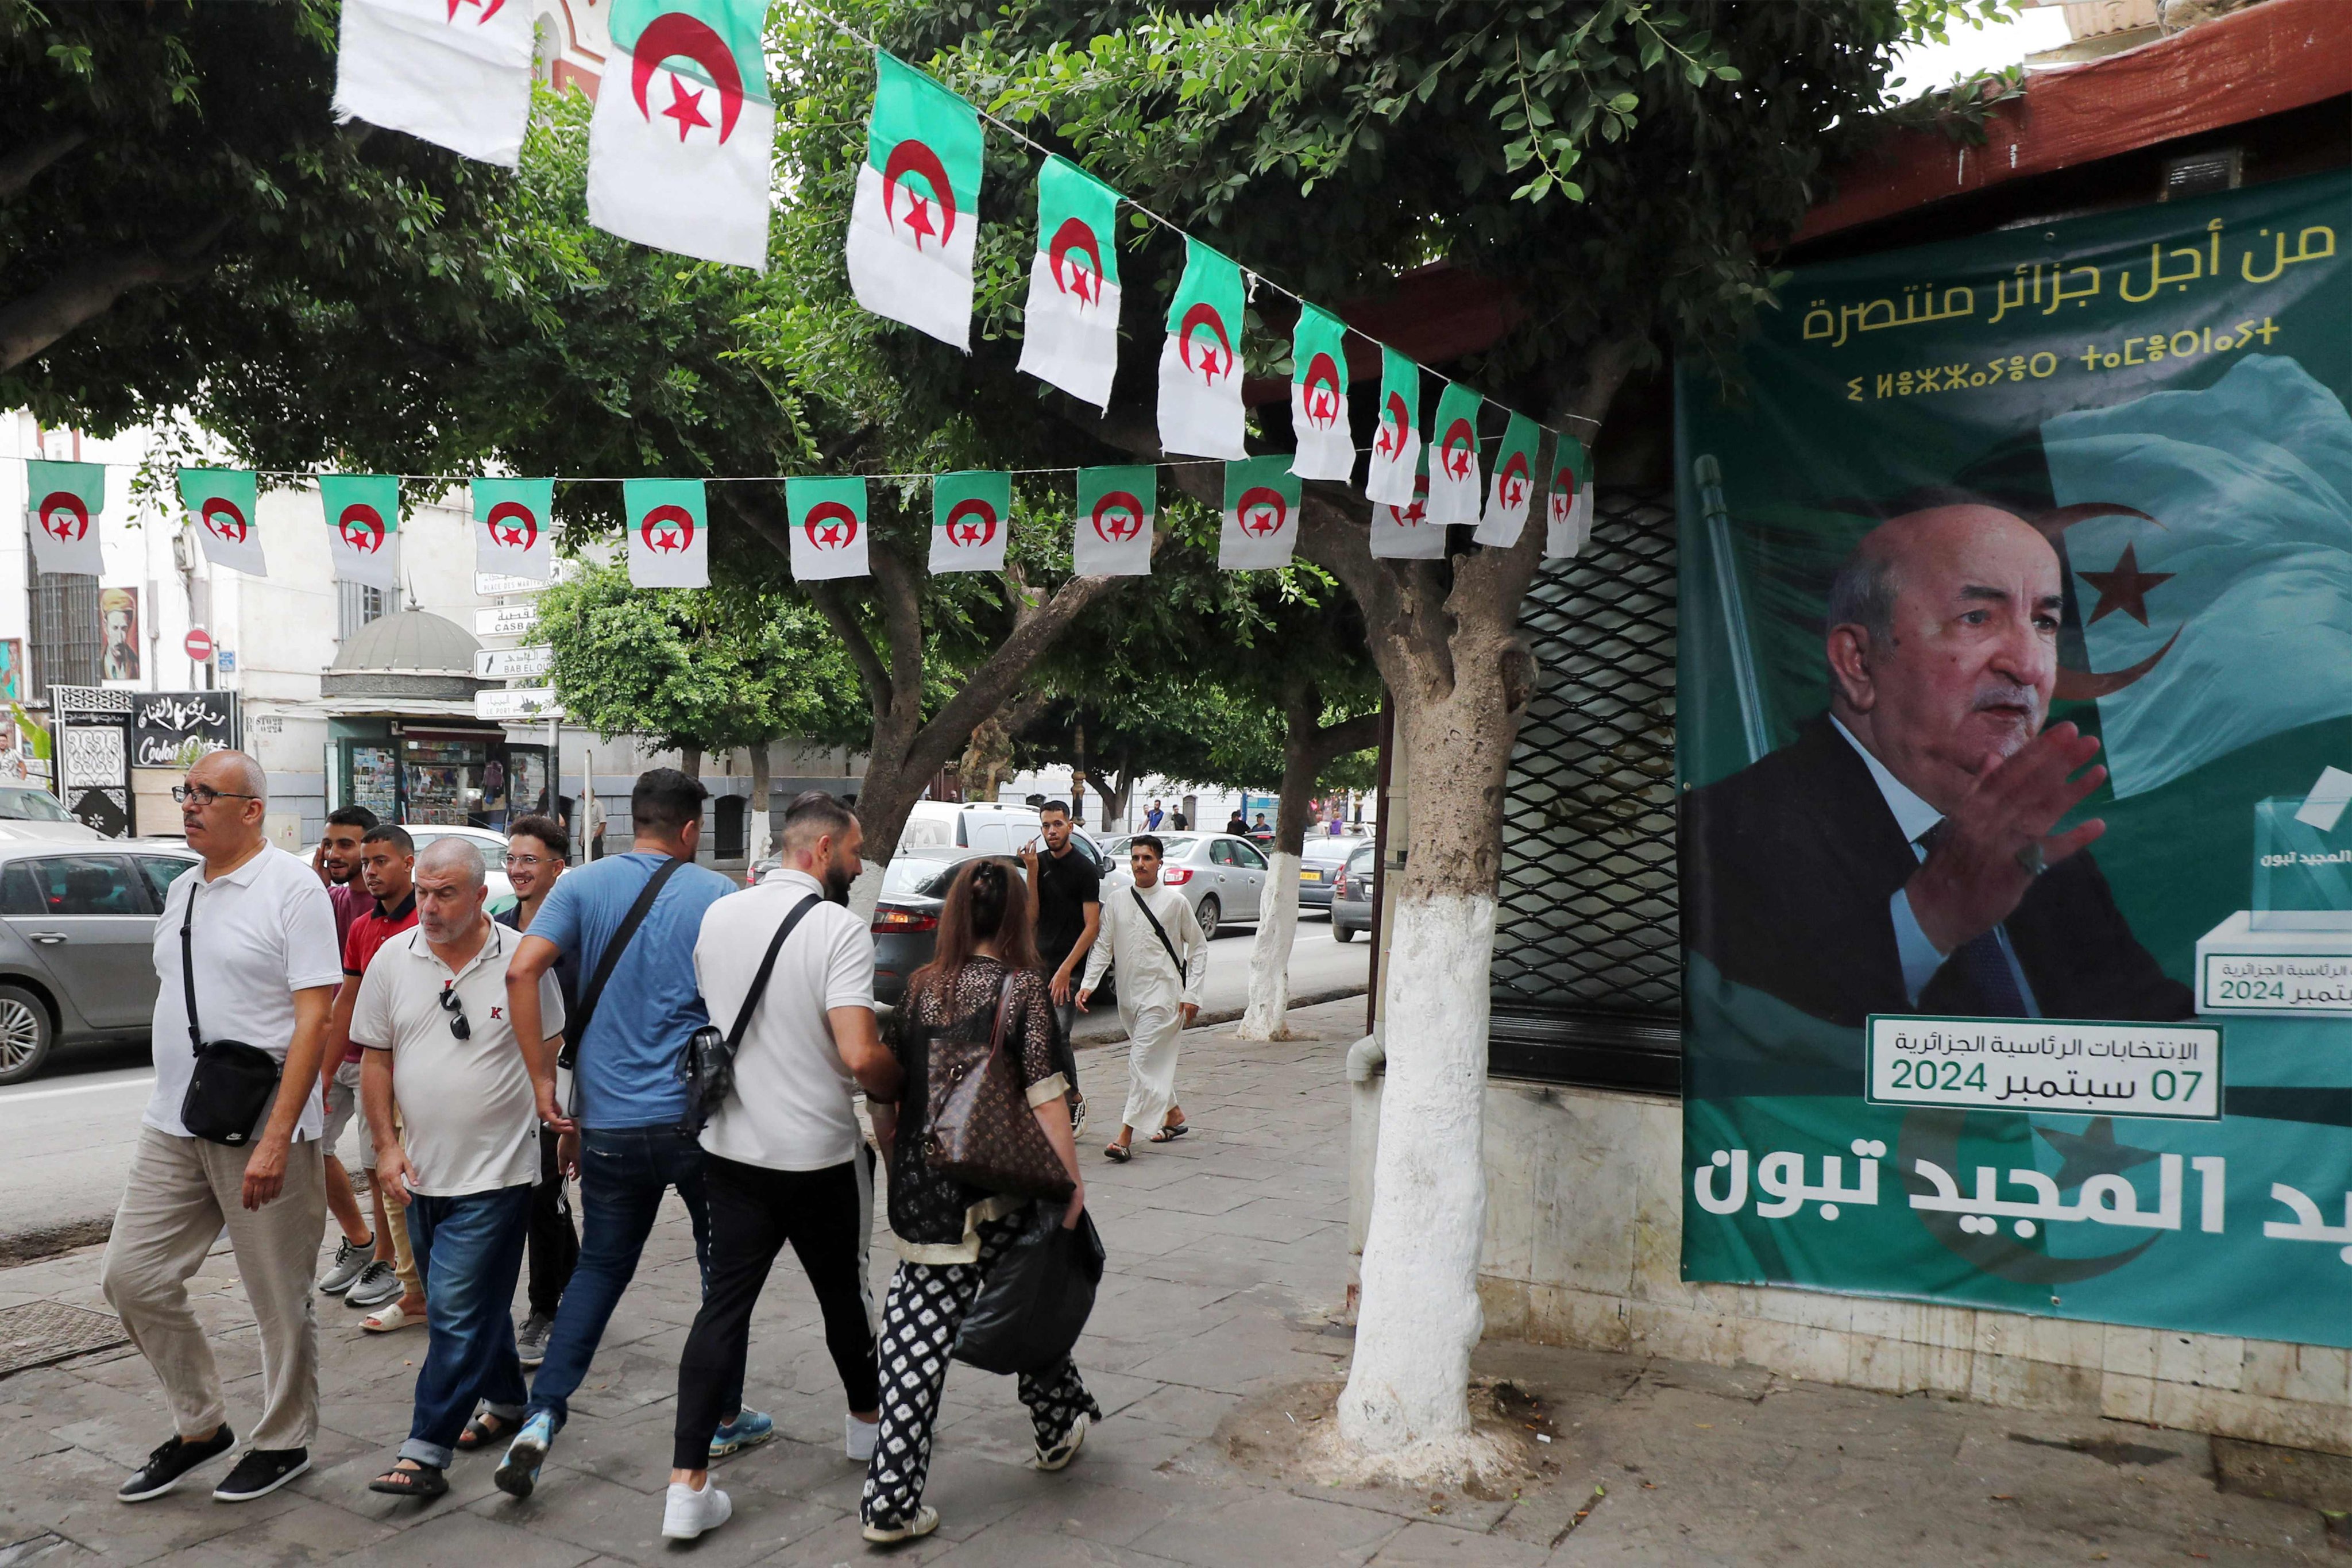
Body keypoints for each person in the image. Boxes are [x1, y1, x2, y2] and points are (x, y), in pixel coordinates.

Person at [1682, 503, 2193, 1029]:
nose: (2029, 664)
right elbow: (1766, 1060)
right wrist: (1930, 917)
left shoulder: (2041, 853)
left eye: (2044, 621)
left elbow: (2157, 1032)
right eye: (1976, 617)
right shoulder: (1715, 839)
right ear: (1858, 663)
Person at [493, 768, 750, 1499]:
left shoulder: (578, 888)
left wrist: (543, 1083)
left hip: (604, 1123)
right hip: (694, 1122)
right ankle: (723, 1413)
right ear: (691, 830)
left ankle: (543, 1418)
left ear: (633, 820)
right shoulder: (718, 896)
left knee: (601, 1270)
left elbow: (522, 971)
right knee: (717, 1270)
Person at [660, 793, 902, 1541]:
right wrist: (906, 1082)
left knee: (721, 1311)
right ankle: (867, 1428)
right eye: (855, 852)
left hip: (731, 1154)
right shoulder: (837, 927)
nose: (860, 866)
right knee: (843, 1297)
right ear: (821, 851)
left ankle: (685, 1488)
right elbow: (861, 1054)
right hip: (820, 1156)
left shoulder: (721, 915)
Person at [101, 751, 341, 1505]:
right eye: (187, 792)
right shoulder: (182, 890)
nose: (190, 804)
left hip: (263, 1127)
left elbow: (315, 1016)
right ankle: (201, 1423)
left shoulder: (292, 888)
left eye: (208, 794)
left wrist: (278, 1134)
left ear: (252, 809)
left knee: (278, 1294)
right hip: (174, 1120)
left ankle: (284, 1438)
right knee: (131, 1276)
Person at [859, 859, 1097, 1544]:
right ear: (1018, 916)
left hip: (924, 1192)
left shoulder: (920, 989)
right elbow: (1047, 1099)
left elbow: (889, 1098)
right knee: (1029, 1290)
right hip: (999, 1188)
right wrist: (1071, 1187)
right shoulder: (1023, 991)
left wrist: (893, 1150)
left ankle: (890, 1502)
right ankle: (1055, 1430)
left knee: (911, 1344)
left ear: (958, 915)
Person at [357, 839, 566, 1500]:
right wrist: (386, 1148)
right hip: (420, 1173)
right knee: (473, 1308)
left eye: (445, 893)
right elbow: (376, 1060)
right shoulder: (395, 957)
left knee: (451, 1309)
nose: (428, 905)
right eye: (422, 891)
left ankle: (425, 1451)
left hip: (497, 1174)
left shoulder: (523, 962)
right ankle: (507, 1404)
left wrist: (556, 1119)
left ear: (482, 895)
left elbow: (553, 1049)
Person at [330, 825, 425, 1331]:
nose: (370, 870)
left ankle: (427, 1286)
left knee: (428, 1187)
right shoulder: (363, 928)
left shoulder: (428, 923)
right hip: (377, 1069)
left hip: (424, 1077)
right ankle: (412, 1290)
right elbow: (346, 1002)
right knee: (390, 1183)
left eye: (381, 860)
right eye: (367, 862)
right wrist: (323, 1075)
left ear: (409, 862)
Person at [496, 813, 578, 1369]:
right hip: (503, 1083)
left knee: (542, 1196)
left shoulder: (573, 932)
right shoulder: (496, 925)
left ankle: (544, 1309)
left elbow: (579, 1011)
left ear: (557, 868)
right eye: (512, 859)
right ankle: (577, 1281)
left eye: (529, 860)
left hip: (556, 1082)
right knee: (532, 1198)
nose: (518, 869)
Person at [1078, 836, 1206, 1161]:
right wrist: (1089, 984)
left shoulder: (1175, 903)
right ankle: (1174, 1115)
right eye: (1135, 858)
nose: (1140, 864)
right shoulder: (1119, 901)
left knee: (1140, 1062)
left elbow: (1200, 947)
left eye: (1147, 858)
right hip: (1130, 998)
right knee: (1149, 1062)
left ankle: (1124, 1137)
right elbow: (1103, 946)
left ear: (1159, 863)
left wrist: (1192, 993)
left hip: (1165, 998)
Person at [311, 805, 379, 1298]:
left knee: (380, 1166)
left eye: (346, 845)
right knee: (312, 1148)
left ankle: (391, 1263)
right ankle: (361, 1241)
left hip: (379, 1055)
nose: (335, 854)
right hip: (333, 1050)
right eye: (329, 844)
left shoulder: (393, 907)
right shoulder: (329, 902)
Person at [1020, 801, 1100, 1045]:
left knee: (1058, 1038)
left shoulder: (1084, 869)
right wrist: (1032, 871)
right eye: (1045, 826)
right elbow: (1031, 917)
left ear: (1070, 827)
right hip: (1039, 964)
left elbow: (1092, 926)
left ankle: (1068, 1085)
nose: (1051, 831)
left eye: (1057, 824)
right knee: (1035, 1040)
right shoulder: (1038, 862)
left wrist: (1066, 970)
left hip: (1068, 969)